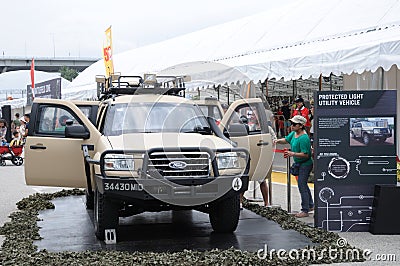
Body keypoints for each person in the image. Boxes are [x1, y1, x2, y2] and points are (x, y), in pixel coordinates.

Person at [274, 115, 314, 218]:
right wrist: (277, 141)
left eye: (294, 124)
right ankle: (310, 205)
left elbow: (306, 154)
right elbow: (286, 140)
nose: (292, 126)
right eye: (292, 124)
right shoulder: (294, 134)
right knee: (303, 185)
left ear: (300, 126)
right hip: (299, 163)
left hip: (305, 164)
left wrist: (293, 154)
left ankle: (305, 209)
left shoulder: (304, 138)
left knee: (302, 185)